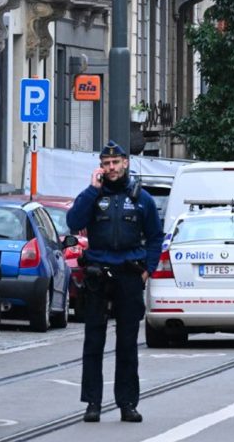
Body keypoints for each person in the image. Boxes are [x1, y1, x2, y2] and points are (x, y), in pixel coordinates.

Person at [66, 140, 164, 423]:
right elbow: (74, 221)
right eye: (106, 164)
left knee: (127, 343)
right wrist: (91, 190)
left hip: (129, 275)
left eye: (115, 163)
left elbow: (156, 237)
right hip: (98, 274)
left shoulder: (141, 198)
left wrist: (148, 269)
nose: (111, 168)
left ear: (126, 163)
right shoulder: (93, 196)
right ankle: (93, 403)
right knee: (93, 341)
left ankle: (127, 403)